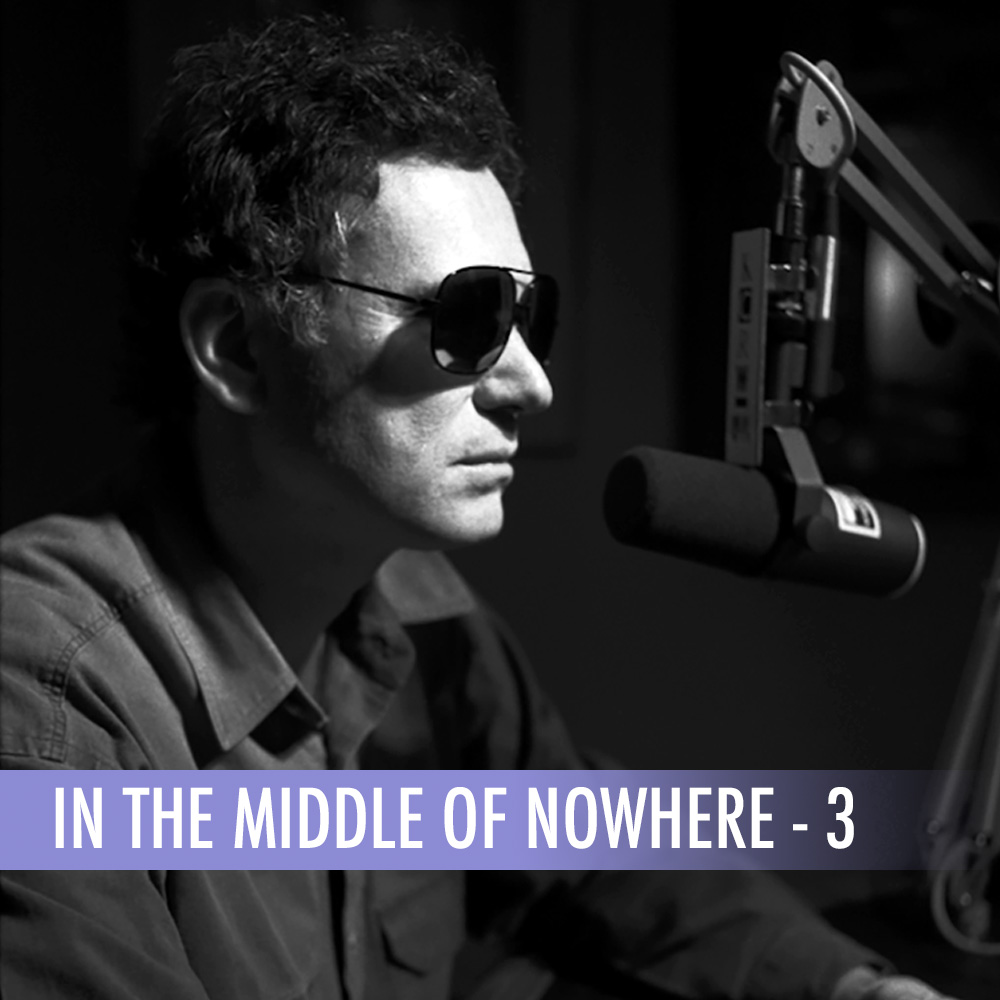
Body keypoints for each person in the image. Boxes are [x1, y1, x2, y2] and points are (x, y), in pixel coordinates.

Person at [0, 14, 956, 1000]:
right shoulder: (45, 702)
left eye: (528, 317)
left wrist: (857, 989)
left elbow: (594, 854)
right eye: (467, 317)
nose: (530, 385)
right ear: (238, 346)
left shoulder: (428, 620)